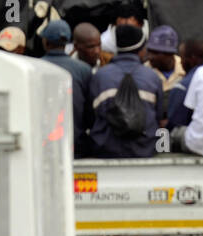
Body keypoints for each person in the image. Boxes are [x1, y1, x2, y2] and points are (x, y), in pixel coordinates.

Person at [88, 24, 165, 158]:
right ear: (141, 50)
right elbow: (159, 118)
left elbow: (91, 117)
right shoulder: (152, 77)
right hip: (145, 149)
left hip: (106, 150)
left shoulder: (100, 76)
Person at [39, 20, 94, 156]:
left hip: (42, 146)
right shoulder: (84, 70)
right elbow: (90, 115)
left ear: (45, 42)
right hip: (75, 146)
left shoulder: (34, 67)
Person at [166, 39, 203, 129]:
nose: (180, 62)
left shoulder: (182, 87)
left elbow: (175, 124)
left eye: (182, 57)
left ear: (192, 59)